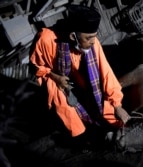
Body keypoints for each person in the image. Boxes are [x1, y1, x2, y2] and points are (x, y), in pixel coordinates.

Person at [29, 4, 130, 146]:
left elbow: (107, 74)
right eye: (88, 38)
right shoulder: (46, 39)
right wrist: (56, 78)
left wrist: (117, 105)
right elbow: (36, 67)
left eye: (94, 37)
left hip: (80, 78)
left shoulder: (93, 44)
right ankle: (82, 137)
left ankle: (105, 126)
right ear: (72, 36)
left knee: (102, 102)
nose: (93, 42)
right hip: (59, 80)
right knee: (61, 101)